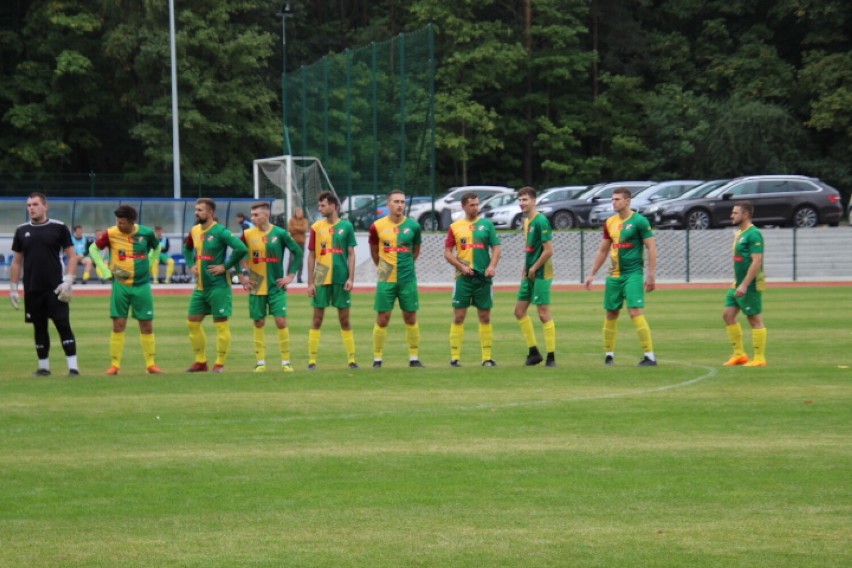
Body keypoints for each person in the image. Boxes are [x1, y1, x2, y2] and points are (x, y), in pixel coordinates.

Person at [584, 187, 658, 366]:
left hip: (633, 274)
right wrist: (592, 273)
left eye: (617, 199)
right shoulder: (609, 222)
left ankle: (649, 356)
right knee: (611, 313)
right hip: (614, 275)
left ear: (628, 201)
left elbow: (651, 247)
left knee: (634, 311)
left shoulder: (639, 221)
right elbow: (603, 250)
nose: (614, 202)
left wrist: (651, 275)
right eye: (613, 199)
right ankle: (609, 354)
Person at [9, 192, 79, 376]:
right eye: (29, 205)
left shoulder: (59, 227)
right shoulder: (21, 230)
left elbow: (72, 256)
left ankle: (73, 367)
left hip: (56, 288)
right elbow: (17, 262)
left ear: (45, 206)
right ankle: (43, 368)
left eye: (35, 204)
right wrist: (13, 289)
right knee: (39, 327)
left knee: (63, 324)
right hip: (32, 289)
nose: (31, 208)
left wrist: (68, 280)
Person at [88, 205, 162, 375]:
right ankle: (115, 365)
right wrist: (105, 269)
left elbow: (156, 248)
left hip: (142, 285)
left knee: (147, 325)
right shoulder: (111, 233)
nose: (118, 225)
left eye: (122, 223)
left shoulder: (146, 233)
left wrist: (150, 262)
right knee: (118, 324)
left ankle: (150, 364)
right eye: (117, 222)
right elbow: (93, 249)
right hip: (120, 284)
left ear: (131, 222)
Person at [237, 201, 304, 372]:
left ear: (266, 215)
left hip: (276, 285)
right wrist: (242, 276)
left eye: (256, 215)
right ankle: (260, 363)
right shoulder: (247, 234)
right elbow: (237, 254)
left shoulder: (280, 233)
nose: (252, 218)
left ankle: (286, 362)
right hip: (257, 283)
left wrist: (290, 275)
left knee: (281, 321)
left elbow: (298, 252)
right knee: (258, 322)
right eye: (251, 215)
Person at [184, 198, 248, 372]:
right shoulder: (194, 230)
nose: (196, 213)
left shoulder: (221, 231)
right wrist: (191, 264)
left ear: (210, 212)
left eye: (200, 210)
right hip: (200, 287)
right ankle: (201, 362)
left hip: (218, 286)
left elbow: (241, 248)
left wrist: (225, 266)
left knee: (220, 323)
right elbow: (187, 248)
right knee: (192, 323)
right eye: (196, 210)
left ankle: (219, 363)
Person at [444, 192, 502, 367]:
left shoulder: (487, 225)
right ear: (463, 206)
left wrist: (492, 266)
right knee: (459, 316)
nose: (475, 208)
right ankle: (455, 358)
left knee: (484, 316)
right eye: (472, 205)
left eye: (477, 204)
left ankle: (487, 357)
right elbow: (447, 253)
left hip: (483, 278)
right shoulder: (455, 227)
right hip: (463, 278)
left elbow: (497, 249)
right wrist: (461, 267)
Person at [368, 189, 424, 368]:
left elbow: (415, 251)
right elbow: (374, 252)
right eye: (396, 202)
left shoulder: (413, 226)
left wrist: (405, 266)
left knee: (410, 317)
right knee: (383, 318)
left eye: (402, 202)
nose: (400, 205)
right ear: (388, 204)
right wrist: (384, 268)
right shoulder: (377, 226)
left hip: (407, 278)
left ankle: (414, 358)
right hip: (386, 276)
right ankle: (377, 359)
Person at [306, 192, 358, 369]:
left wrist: (351, 278)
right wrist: (310, 283)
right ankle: (312, 361)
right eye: (319, 205)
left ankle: (351, 359)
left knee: (344, 319)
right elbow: (311, 256)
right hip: (321, 275)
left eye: (323, 205)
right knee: (317, 318)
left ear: (333, 206)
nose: (320, 208)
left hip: (341, 277)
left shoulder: (347, 226)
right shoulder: (316, 227)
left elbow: (351, 254)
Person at [514, 186, 557, 367]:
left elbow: (549, 251)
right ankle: (533, 352)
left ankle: (551, 357)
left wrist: (534, 268)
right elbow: (529, 249)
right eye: (520, 200)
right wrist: (526, 269)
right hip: (530, 273)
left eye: (525, 200)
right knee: (519, 311)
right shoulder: (527, 222)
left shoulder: (541, 221)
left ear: (534, 201)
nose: (522, 203)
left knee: (543, 313)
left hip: (541, 274)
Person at [722, 201, 767, 367]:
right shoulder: (740, 233)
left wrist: (745, 285)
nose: (731, 216)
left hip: (750, 285)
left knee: (754, 319)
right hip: (738, 283)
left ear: (746, 214)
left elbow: (756, 262)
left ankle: (759, 358)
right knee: (728, 315)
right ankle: (739, 354)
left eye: (735, 213)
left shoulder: (754, 234)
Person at [287, 207, 309, 283]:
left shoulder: (305, 220)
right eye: (297, 212)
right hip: (293, 243)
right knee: (291, 260)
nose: (299, 213)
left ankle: (299, 278)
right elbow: (290, 229)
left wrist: (295, 227)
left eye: (300, 212)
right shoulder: (291, 220)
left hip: (301, 243)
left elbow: (305, 229)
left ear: (302, 213)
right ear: (295, 213)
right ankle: (288, 277)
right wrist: (300, 228)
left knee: (300, 261)